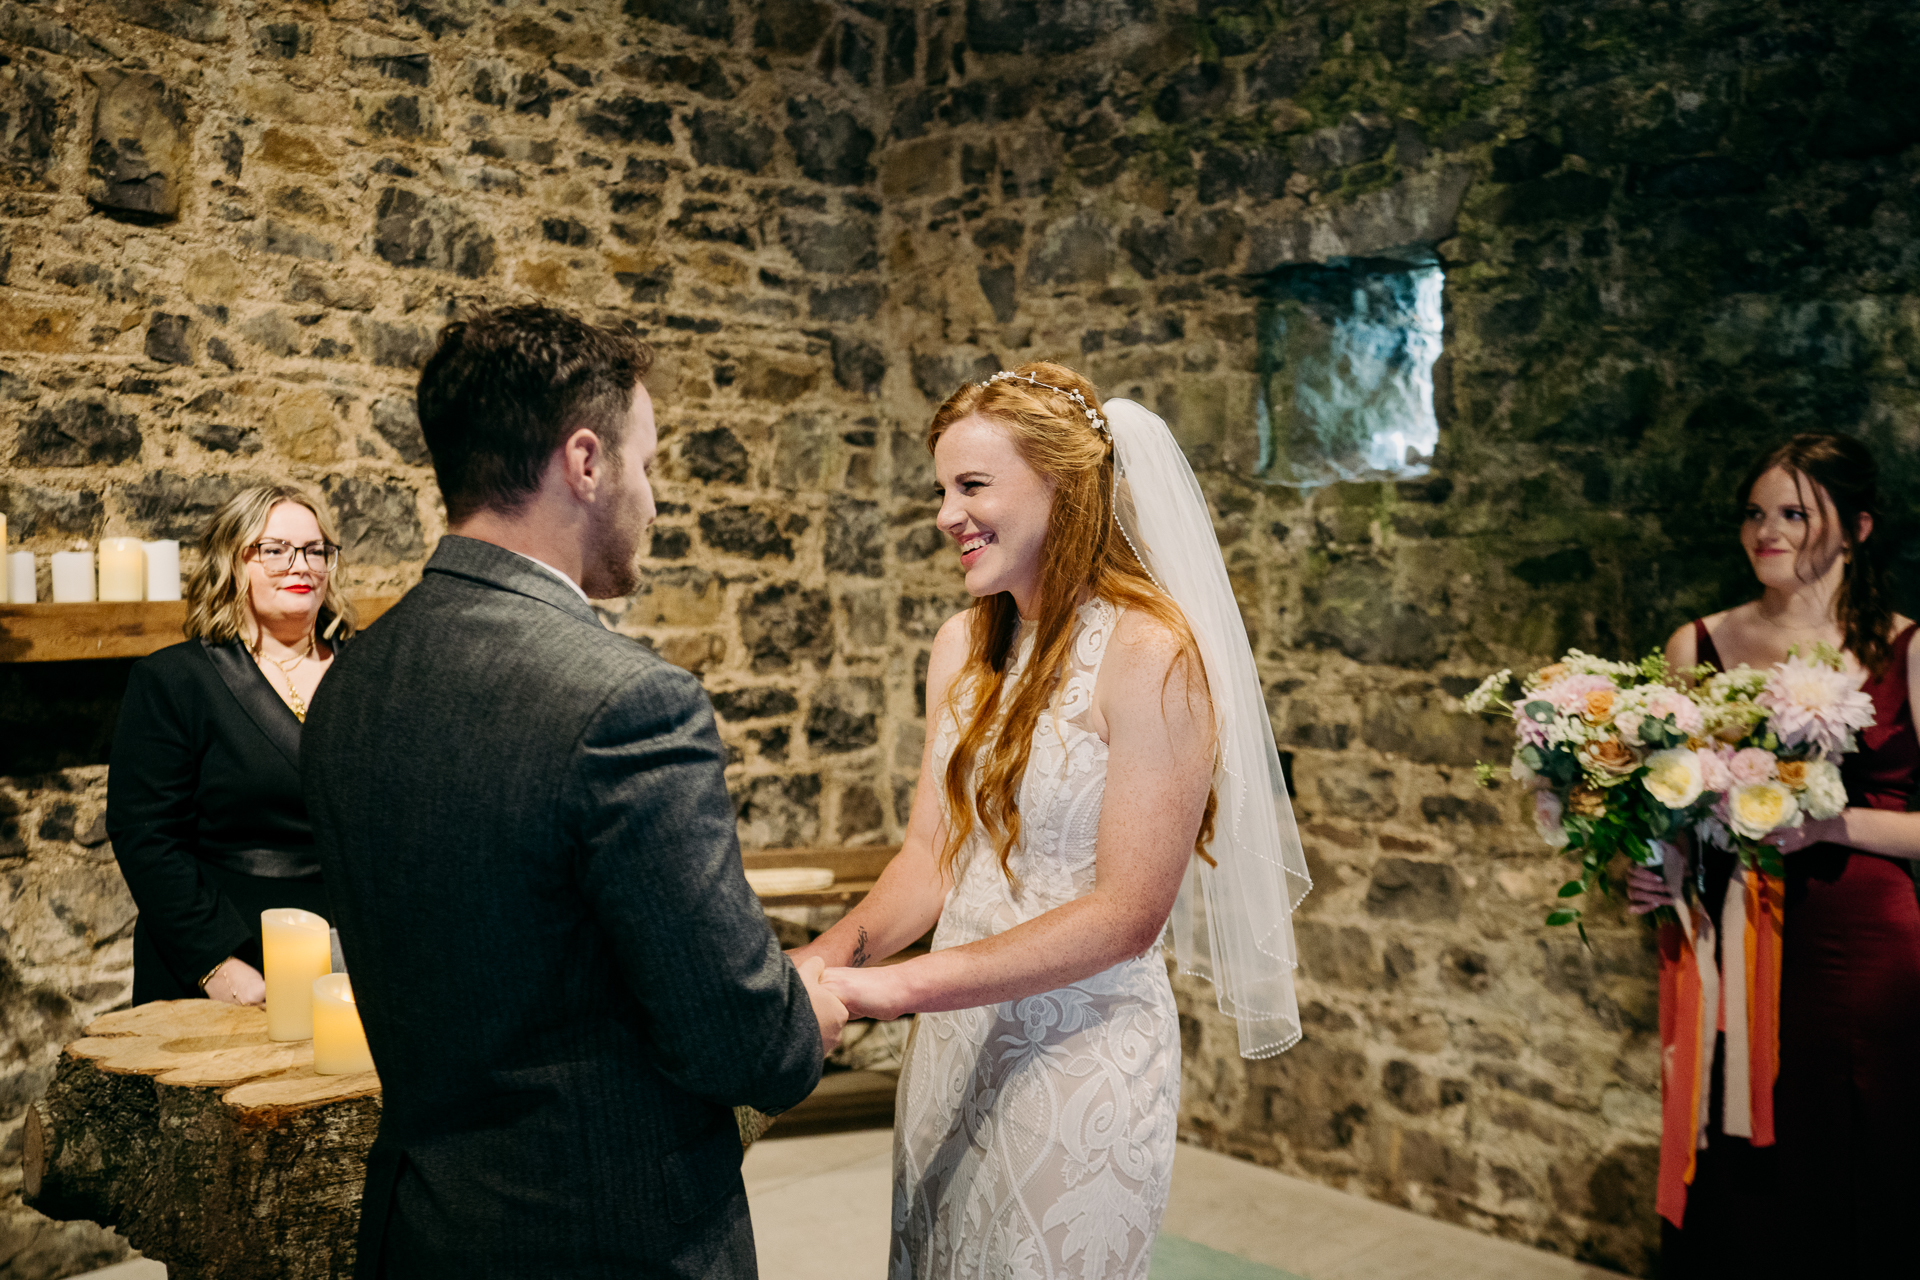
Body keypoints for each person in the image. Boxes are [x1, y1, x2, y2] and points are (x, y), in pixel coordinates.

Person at [302, 304, 846, 1280]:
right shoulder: (628, 701)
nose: (655, 496)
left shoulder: (353, 679)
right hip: (611, 1237)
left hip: (422, 1229)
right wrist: (805, 1010)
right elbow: (741, 1040)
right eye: (648, 462)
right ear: (585, 462)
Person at [792, 363, 1311, 1279]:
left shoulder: (1152, 654)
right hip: (954, 1038)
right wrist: (829, 960)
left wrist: (898, 991)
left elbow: (1127, 914)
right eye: (942, 489)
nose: (946, 513)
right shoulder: (964, 641)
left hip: (1079, 1059)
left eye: (973, 486)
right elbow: (929, 855)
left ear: (1064, 487)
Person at [1630, 433, 1920, 1277]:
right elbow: (1675, 812)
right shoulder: (1700, 645)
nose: (1769, 530)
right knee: (1743, 1150)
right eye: (1757, 513)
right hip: (1734, 935)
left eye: (1796, 512)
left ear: (1858, 527)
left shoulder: (1906, 649)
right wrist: (1659, 875)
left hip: (1865, 947)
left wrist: (1832, 827)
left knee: (1867, 1148)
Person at [107, 483, 355, 1006]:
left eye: (316, 550)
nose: (301, 566)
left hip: (350, 953)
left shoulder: (368, 673)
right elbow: (146, 838)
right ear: (232, 561)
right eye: (275, 550)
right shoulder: (175, 680)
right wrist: (220, 967)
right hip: (231, 952)